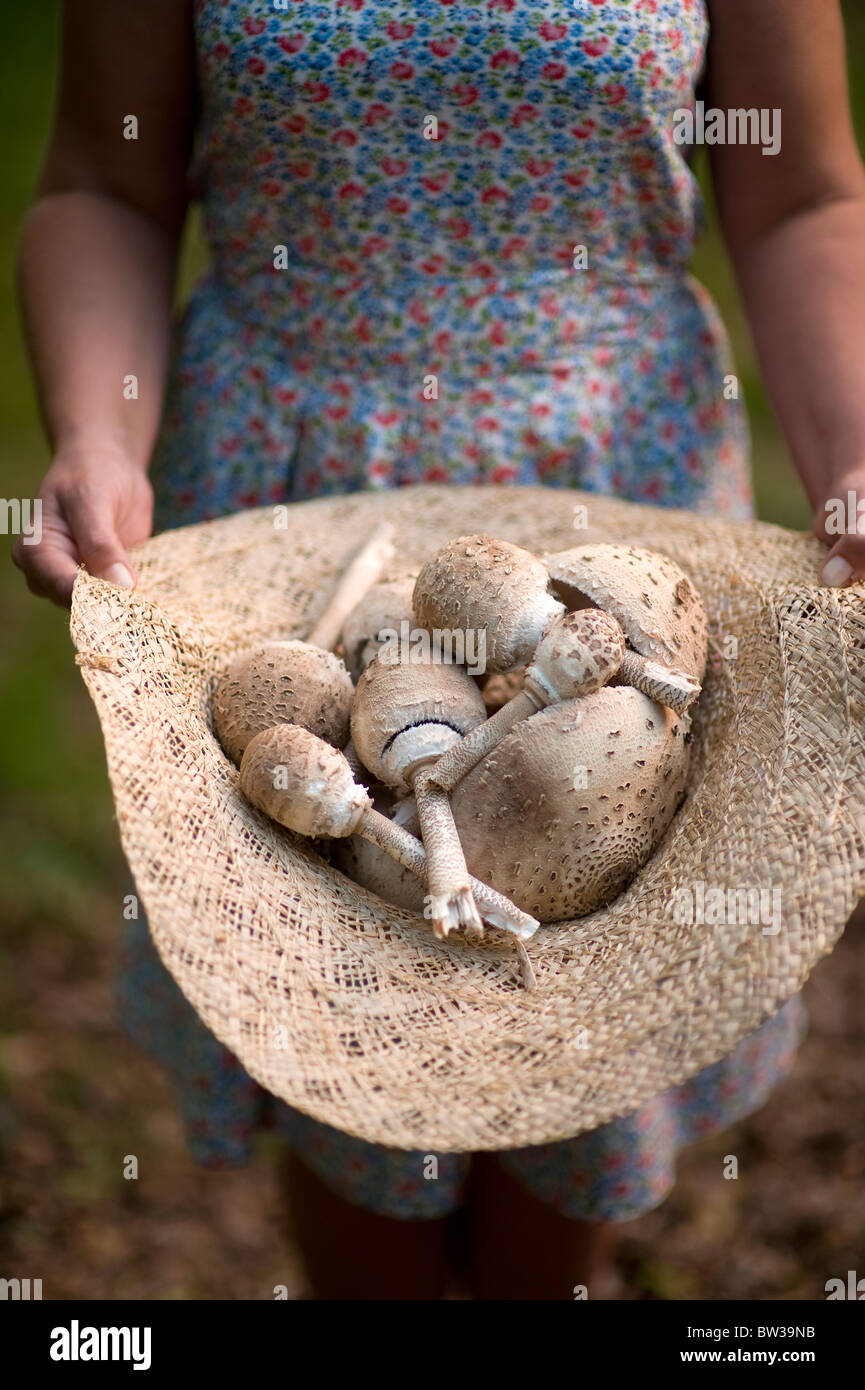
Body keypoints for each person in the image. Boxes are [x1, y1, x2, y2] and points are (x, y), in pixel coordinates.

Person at [13, 1, 865, 1300]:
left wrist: (853, 462)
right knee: (343, 1014)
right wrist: (98, 434)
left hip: (606, 514)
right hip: (291, 509)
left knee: (572, 1018)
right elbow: (104, 181)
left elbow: (798, 191)